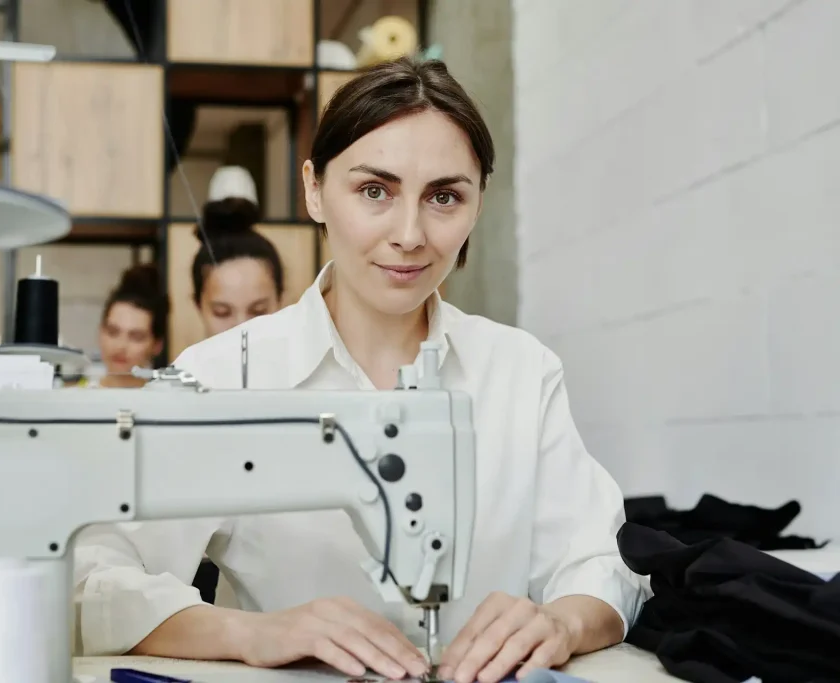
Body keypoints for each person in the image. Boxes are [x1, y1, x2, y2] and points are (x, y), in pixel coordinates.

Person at [74, 57, 649, 683]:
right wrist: (254, 633)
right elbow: (95, 579)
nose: (409, 234)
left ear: (479, 203)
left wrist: (561, 622)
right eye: (374, 190)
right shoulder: (219, 376)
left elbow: (600, 562)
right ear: (314, 189)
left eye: (444, 197)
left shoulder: (522, 371)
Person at [191, 166, 285, 339]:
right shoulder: (182, 366)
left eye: (258, 311)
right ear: (198, 305)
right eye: (222, 313)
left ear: (280, 301)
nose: (241, 328)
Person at [89, 263, 168, 388]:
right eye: (113, 332)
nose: (120, 346)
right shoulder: (76, 400)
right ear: (100, 331)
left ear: (157, 345)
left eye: (136, 337)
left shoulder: (165, 404)